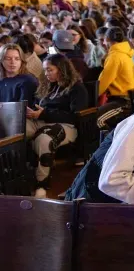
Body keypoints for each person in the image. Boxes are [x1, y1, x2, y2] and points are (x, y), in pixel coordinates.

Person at [27, 54, 89, 198]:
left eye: (50, 70)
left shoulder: (77, 88)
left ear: (61, 69)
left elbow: (75, 117)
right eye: (45, 70)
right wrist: (34, 112)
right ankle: (15, 174)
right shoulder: (48, 86)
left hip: (67, 126)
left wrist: (43, 114)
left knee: (44, 139)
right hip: (43, 121)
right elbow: (41, 109)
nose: (46, 73)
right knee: (17, 130)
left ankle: (41, 182)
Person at [96, 27, 134, 130]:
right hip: (130, 98)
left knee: (96, 119)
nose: (104, 43)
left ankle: (110, 143)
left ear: (107, 40)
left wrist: (90, 97)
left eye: (104, 40)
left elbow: (101, 84)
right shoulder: (124, 52)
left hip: (123, 102)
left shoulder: (115, 56)